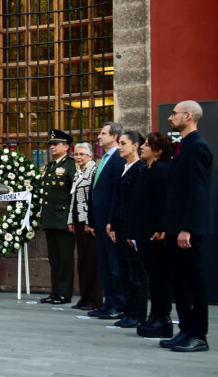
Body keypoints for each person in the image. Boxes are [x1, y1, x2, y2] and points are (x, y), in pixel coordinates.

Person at [159, 101, 213, 352]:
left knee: (193, 282)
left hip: (186, 230)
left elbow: (198, 192)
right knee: (178, 282)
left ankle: (198, 335)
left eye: (174, 114)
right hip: (174, 227)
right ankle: (186, 330)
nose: (170, 118)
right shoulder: (183, 146)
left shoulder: (198, 147)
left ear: (188, 116)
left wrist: (187, 228)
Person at [131, 132, 174, 338]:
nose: (142, 147)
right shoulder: (147, 170)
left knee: (159, 276)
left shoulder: (162, 170)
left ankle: (162, 317)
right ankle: (155, 314)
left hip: (155, 234)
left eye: (147, 145)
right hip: (143, 232)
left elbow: (163, 203)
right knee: (153, 276)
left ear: (158, 151)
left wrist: (160, 228)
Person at [107, 131, 147, 328]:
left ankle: (138, 314)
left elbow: (137, 203)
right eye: (119, 143)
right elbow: (119, 200)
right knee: (125, 270)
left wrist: (133, 231)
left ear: (136, 145)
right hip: (121, 226)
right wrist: (113, 224)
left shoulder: (139, 169)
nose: (120, 146)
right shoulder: (125, 167)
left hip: (132, 227)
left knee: (136, 272)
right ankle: (128, 311)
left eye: (124, 143)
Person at [87, 121, 127, 320]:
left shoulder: (118, 159)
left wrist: (111, 220)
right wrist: (93, 220)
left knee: (114, 264)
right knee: (104, 264)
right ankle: (108, 302)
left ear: (114, 137)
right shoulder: (103, 159)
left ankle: (119, 304)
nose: (99, 137)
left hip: (109, 222)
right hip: (100, 221)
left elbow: (115, 193)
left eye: (103, 133)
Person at [39, 129, 76, 305]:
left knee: (65, 258)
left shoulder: (71, 165)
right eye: (51, 144)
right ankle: (55, 291)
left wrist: (72, 219)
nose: (52, 147)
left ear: (66, 147)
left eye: (56, 144)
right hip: (50, 218)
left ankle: (64, 293)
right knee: (54, 259)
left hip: (63, 219)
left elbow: (74, 194)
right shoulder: (50, 166)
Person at [67, 142, 102, 311]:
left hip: (88, 223)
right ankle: (84, 297)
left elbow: (93, 199)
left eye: (81, 154)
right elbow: (73, 198)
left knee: (92, 262)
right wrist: (70, 220)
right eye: (76, 154)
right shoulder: (78, 172)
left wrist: (90, 221)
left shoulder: (94, 171)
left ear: (90, 156)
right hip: (78, 221)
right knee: (82, 261)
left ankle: (94, 299)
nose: (78, 157)